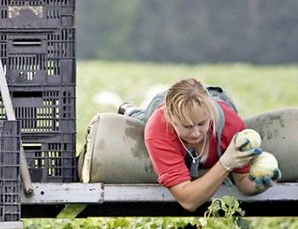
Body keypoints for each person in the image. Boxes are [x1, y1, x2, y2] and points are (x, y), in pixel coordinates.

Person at [119, 78, 278, 211]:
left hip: (213, 97)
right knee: (144, 120)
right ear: (171, 120)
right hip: (161, 105)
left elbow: (243, 180)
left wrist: (259, 185)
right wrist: (225, 164)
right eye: (187, 126)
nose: (195, 133)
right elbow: (188, 201)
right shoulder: (159, 128)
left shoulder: (231, 125)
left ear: (209, 115)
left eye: (201, 124)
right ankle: (130, 111)